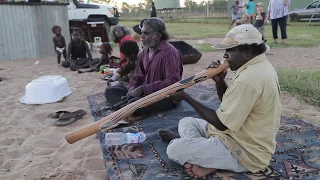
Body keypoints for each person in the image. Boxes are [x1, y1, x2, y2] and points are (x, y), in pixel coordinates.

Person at [158, 24, 281, 179]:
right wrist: (219, 81)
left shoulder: (249, 79)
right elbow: (229, 103)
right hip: (231, 135)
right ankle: (203, 154)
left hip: (245, 151)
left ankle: (207, 159)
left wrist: (186, 97)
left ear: (248, 51)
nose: (225, 56)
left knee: (174, 149)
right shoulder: (256, 66)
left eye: (229, 50)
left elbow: (221, 123)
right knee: (186, 122)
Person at [102, 17, 183, 122]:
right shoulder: (145, 52)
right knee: (111, 91)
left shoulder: (169, 52)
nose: (142, 36)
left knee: (135, 103)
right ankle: (129, 108)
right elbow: (137, 76)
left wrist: (142, 89)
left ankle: (130, 109)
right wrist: (132, 89)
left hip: (166, 96)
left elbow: (172, 82)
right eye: (142, 33)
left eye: (146, 33)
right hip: (146, 93)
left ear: (158, 36)